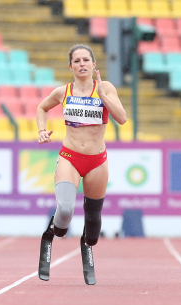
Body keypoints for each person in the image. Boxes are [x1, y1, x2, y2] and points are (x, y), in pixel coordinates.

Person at [36, 44, 126, 246]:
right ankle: (54, 229)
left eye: (86, 60)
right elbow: (42, 107)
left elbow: (121, 118)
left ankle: (88, 244)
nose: (82, 64)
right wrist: (42, 130)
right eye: (77, 61)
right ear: (71, 67)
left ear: (94, 65)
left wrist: (103, 96)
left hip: (96, 162)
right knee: (65, 210)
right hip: (70, 158)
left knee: (93, 226)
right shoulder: (63, 92)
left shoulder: (107, 88)